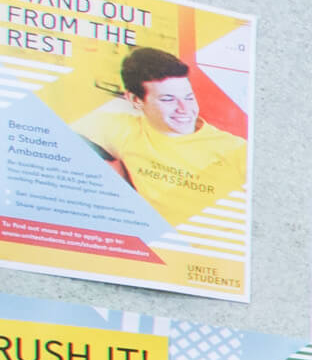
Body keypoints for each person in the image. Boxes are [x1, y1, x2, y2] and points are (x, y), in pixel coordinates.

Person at [72, 44, 250, 227]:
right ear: (135, 100)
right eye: (168, 99)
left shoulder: (235, 150)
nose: (185, 109)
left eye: (188, 97)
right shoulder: (123, 129)